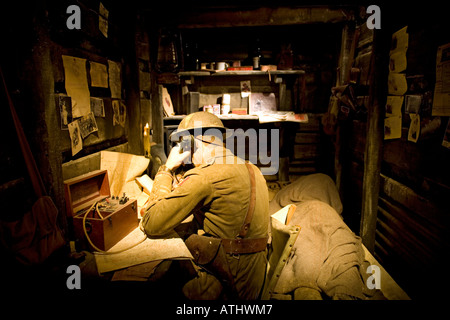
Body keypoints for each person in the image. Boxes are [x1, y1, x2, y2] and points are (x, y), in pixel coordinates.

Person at [140, 112, 269, 300]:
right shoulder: (251, 168)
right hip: (254, 278)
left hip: (229, 285)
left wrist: (167, 169)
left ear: (191, 143)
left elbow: (151, 223)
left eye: (182, 144)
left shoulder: (206, 176)